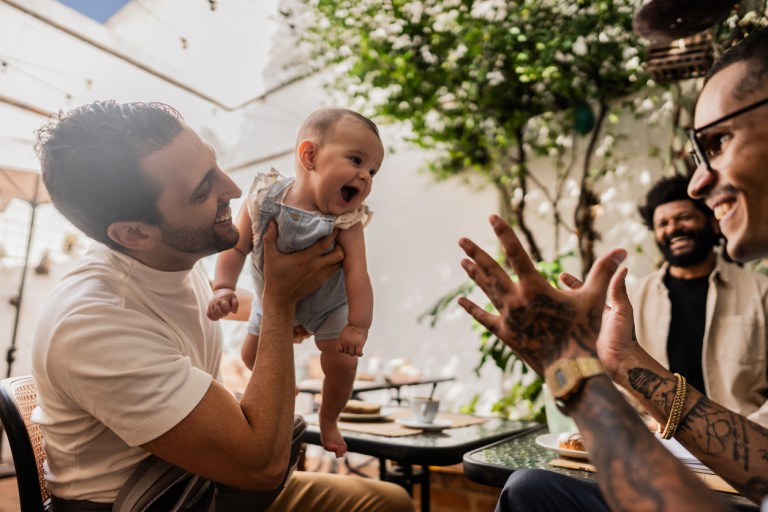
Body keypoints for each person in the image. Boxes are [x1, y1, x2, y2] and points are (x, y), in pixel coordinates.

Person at [31, 100, 412, 511]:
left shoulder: (166, 260)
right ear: (134, 233)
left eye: (215, 167)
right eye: (202, 190)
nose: (232, 189)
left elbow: (211, 308)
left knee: (386, 500)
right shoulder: (93, 322)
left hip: (203, 482)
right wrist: (279, 305)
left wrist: (304, 311)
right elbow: (261, 466)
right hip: (155, 502)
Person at [458, 25, 768, 512]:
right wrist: (618, 362)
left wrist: (571, 371)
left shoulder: (759, 293)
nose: (698, 184)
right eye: (696, 154)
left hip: (727, 485)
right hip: (687, 465)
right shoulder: (636, 296)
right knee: (529, 490)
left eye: (719, 141)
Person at [207, 107, 383, 457]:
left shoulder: (347, 220)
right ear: (310, 155)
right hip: (270, 298)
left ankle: (329, 418)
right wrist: (223, 286)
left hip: (329, 307)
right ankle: (284, 392)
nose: (365, 176)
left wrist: (358, 327)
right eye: (356, 160)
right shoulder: (262, 198)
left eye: (372, 170)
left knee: (342, 365)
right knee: (249, 354)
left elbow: (357, 273)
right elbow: (237, 245)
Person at [633, 174, 768, 427]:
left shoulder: (761, 292)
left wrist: (747, 438)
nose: (673, 228)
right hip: (660, 444)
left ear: (713, 223)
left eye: (684, 217)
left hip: (747, 443)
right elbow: (621, 386)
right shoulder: (633, 300)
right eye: (662, 224)